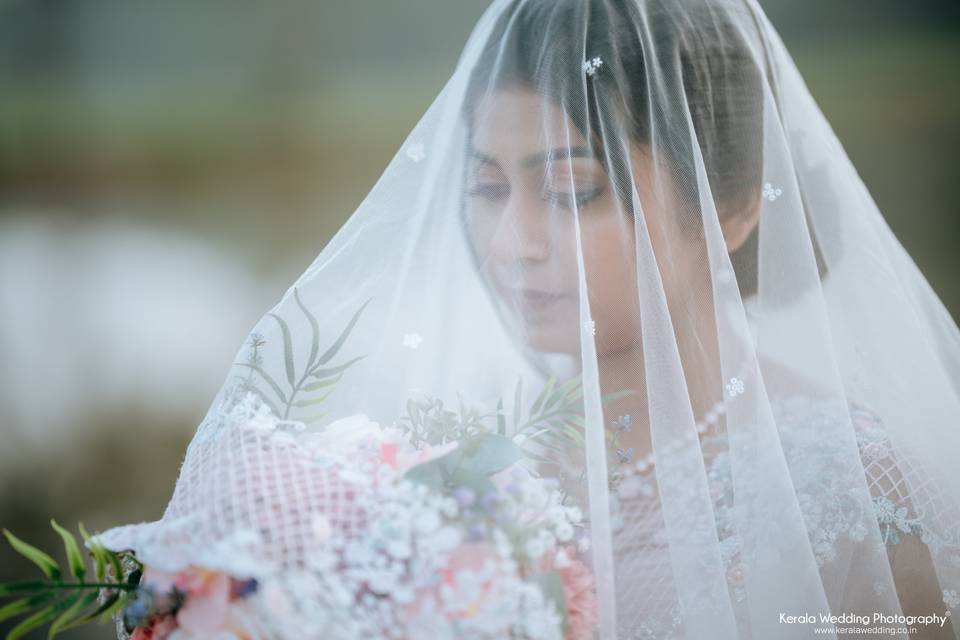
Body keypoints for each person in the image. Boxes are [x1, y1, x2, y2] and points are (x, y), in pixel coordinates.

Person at [97, 0, 960, 638]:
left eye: (570, 190)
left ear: (731, 206)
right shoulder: (450, 476)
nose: (511, 243)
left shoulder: (852, 501)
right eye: (486, 187)